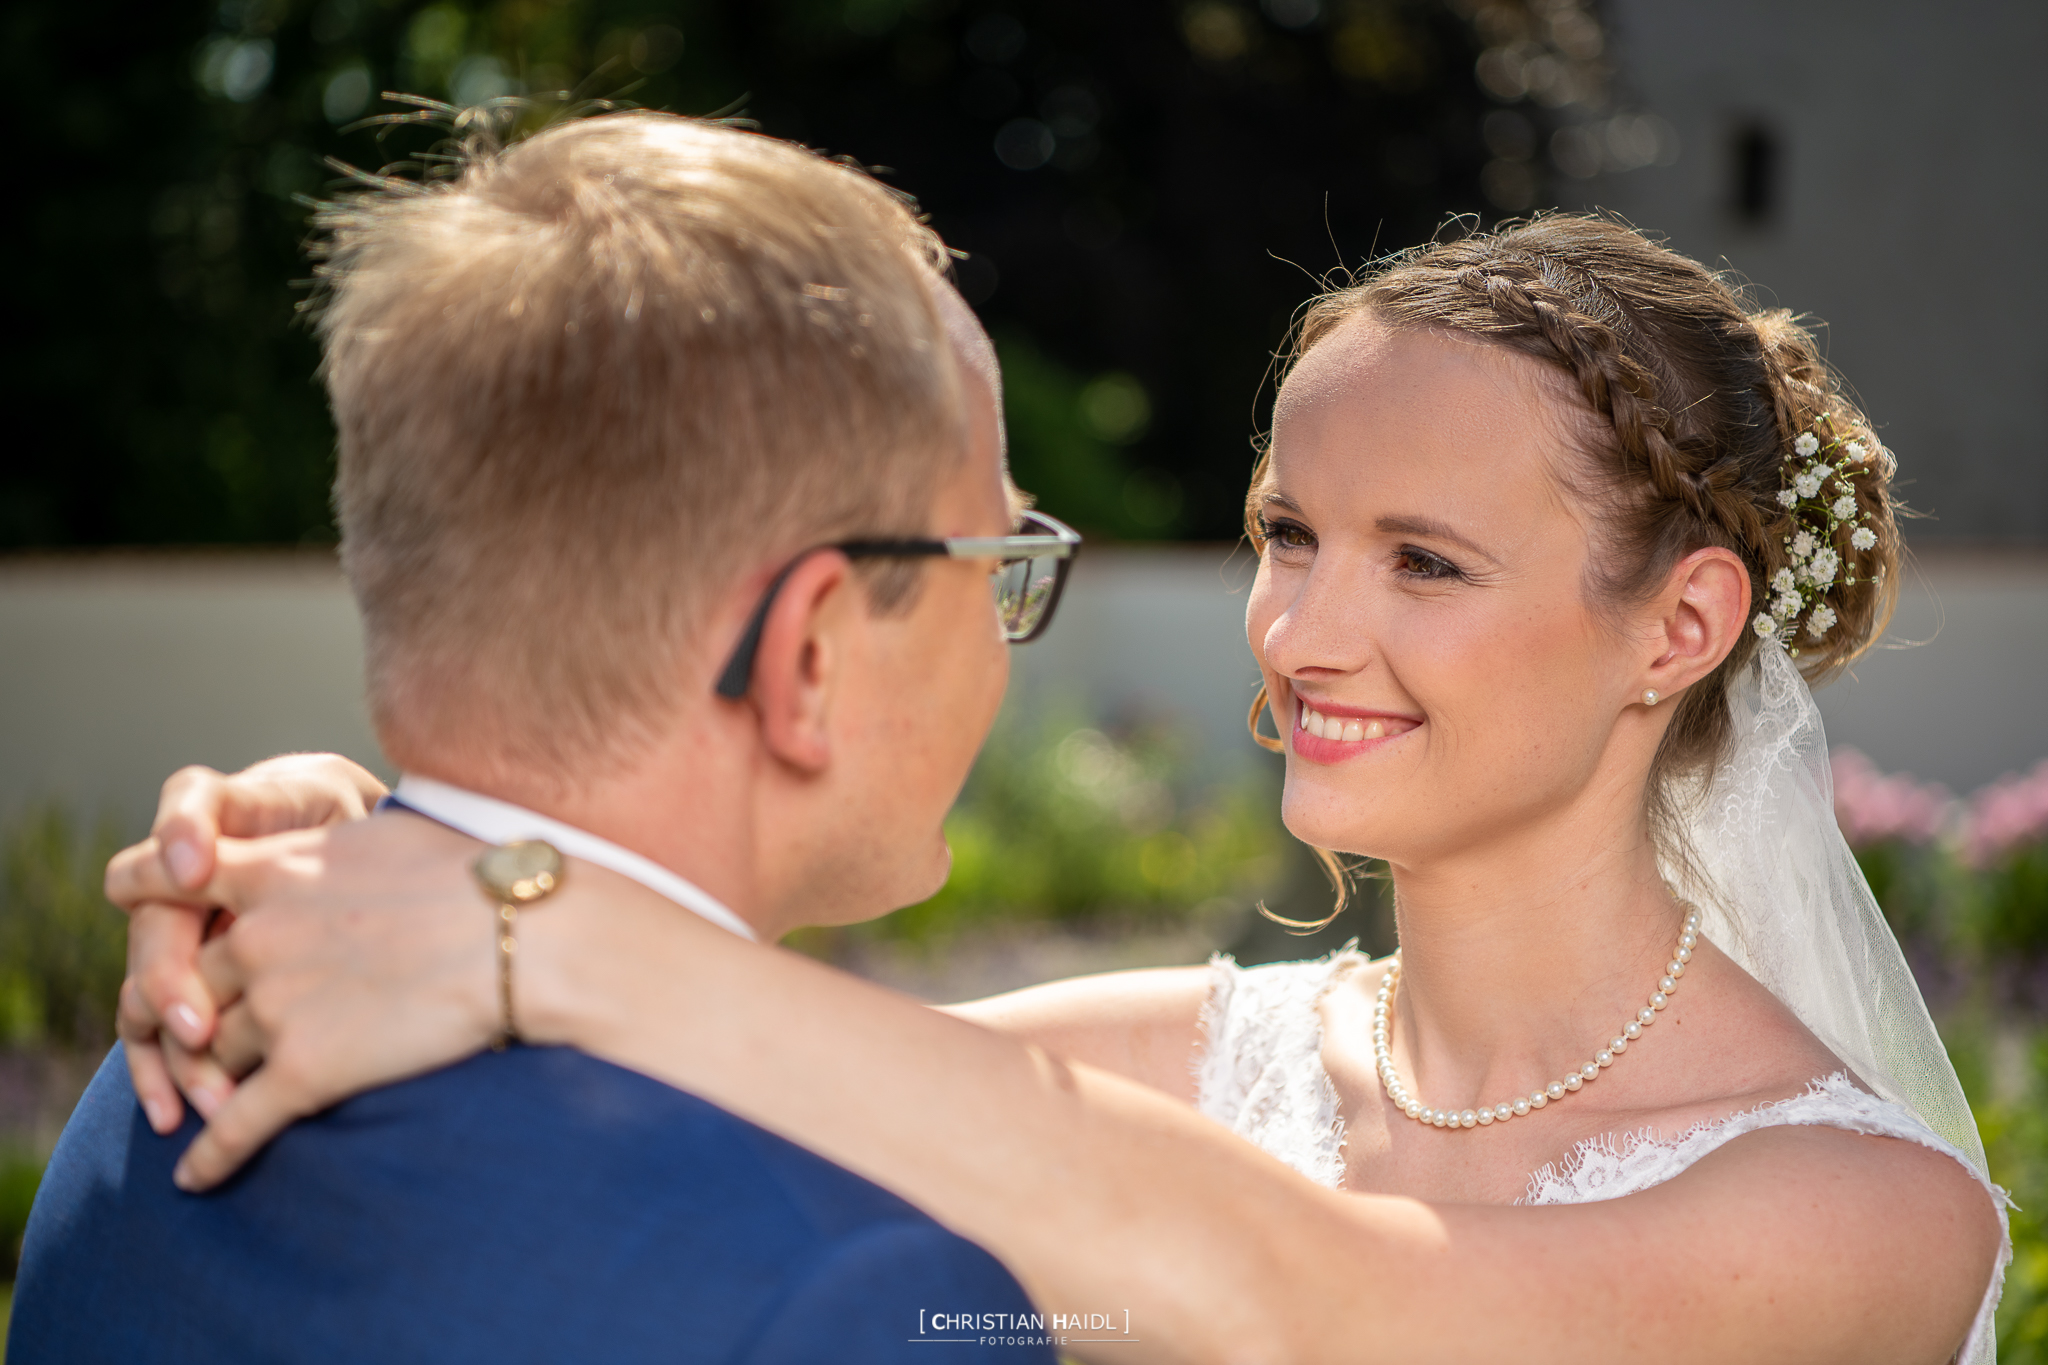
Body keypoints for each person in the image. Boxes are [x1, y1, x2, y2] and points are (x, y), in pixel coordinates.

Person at [95, 217, 2008, 1363]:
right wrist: (341, 831)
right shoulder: (1161, 1061)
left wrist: (528, 916)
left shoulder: (1865, 1214)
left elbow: (1320, 1308)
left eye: (1422, 563)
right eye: (1287, 533)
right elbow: (661, 1084)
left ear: (1676, 626)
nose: (1302, 633)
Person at [9, 111, 1072, 1363]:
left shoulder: (165, 1056)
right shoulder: (860, 1293)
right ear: (808, 657)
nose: (1007, 637)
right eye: (1000, 561)